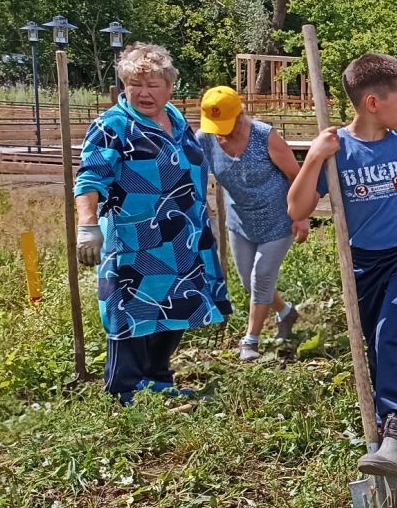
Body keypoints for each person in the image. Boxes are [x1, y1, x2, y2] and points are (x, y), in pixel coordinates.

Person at [287, 53, 397, 481]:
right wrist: (313, 157)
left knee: (393, 330)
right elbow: (298, 206)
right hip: (363, 264)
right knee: (375, 348)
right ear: (373, 103)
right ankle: (383, 433)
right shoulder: (337, 149)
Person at [74, 43, 230, 402]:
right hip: (137, 241)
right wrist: (87, 224)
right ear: (123, 86)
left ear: (170, 87)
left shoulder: (175, 117)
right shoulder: (112, 126)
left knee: (178, 307)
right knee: (130, 311)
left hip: (183, 236)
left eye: (153, 84)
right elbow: (89, 179)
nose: (144, 92)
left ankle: (157, 378)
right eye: (134, 83)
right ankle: (123, 389)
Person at [196, 86, 308, 362]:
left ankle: (251, 340)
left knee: (262, 278)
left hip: (278, 218)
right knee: (249, 282)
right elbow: (192, 173)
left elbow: (297, 175)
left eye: (226, 123)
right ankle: (285, 311)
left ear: (241, 113)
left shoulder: (264, 136)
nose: (220, 130)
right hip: (240, 220)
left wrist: (302, 214)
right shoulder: (205, 138)